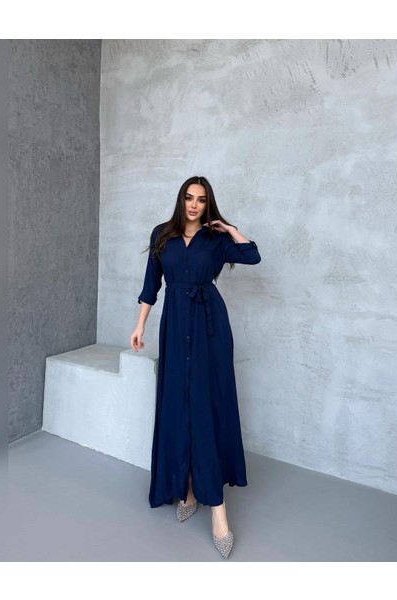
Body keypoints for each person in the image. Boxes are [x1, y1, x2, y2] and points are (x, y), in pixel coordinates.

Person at [130, 176, 261, 559]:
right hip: (174, 326)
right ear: (180, 199)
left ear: (208, 204)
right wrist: (140, 326)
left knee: (206, 408)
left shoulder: (216, 239)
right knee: (179, 406)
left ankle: (217, 509)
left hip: (209, 329)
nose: (193, 204)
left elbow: (252, 255)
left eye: (201, 200)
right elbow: (151, 286)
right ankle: (187, 489)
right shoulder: (162, 235)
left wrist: (230, 228)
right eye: (189, 197)